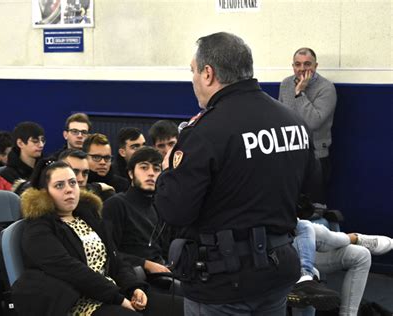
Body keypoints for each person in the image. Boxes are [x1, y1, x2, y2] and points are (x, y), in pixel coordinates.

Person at [154, 32, 320, 315]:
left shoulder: (205, 132)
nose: (193, 79)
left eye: (193, 72)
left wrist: (167, 173)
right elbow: (312, 194)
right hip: (277, 269)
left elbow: (175, 212)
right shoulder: (293, 122)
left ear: (208, 73)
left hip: (221, 283)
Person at [15, 160, 183, 315]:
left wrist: (134, 288)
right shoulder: (38, 228)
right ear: (45, 193)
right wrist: (119, 298)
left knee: (183, 308)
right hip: (77, 303)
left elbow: (115, 260)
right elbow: (73, 271)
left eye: (72, 183)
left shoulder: (88, 216)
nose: (69, 189)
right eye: (59, 185)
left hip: (110, 292)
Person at [290, 219, 392, 315]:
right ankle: (354, 238)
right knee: (307, 226)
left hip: (302, 244)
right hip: (284, 251)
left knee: (361, 254)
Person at [279, 48, 337, 203]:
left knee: (313, 209)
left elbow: (313, 122)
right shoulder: (285, 84)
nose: (302, 69)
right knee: (289, 205)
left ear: (316, 66)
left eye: (307, 64)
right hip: (290, 156)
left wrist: (299, 93)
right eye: (297, 64)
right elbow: (281, 117)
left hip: (316, 157)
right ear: (293, 66)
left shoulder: (326, 88)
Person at [103, 147, 170, 274]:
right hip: (131, 279)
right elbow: (108, 252)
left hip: (163, 275)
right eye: (144, 167)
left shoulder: (159, 208)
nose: (151, 173)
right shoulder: (116, 205)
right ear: (130, 173)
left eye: (156, 169)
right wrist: (145, 264)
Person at [0, 121, 45, 186]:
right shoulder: (7, 175)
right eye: (35, 141)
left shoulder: (46, 168)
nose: (41, 145)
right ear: (20, 143)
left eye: (43, 141)